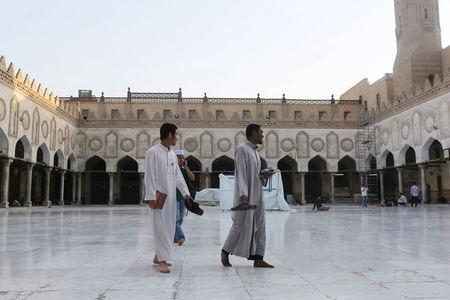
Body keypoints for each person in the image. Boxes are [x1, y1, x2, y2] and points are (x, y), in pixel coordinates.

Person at [221, 124, 274, 268]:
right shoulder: (242, 150)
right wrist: (243, 194)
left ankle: (258, 258)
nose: (262, 135)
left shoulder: (254, 152)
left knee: (260, 224)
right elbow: (241, 174)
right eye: (261, 132)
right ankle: (225, 252)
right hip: (246, 195)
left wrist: (263, 174)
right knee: (239, 224)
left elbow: (254, 175)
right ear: (253, 133)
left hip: (257, 194)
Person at [144, 123, 193, 273]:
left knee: (170, 228)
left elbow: (178, 177)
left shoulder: (172, 154)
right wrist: (151, 196)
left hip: (171, 199)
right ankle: (163, 260)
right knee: (159, 228)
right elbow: (149, 175)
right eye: (176, 135)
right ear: (170, 135)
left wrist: (186, 193)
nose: (177, 138)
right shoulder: (152, 152)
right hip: (158, 197)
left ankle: (158, 255)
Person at [174, 149, 196, 246]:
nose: (181, 160)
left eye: (183, 158)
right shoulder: (172, 169)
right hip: (173, 197)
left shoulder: (183, 170)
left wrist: (186, 167)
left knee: (181, 219)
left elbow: (192, 178)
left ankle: (174, 236)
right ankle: (180, 237)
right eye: (179, 158)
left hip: (183, 197)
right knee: (176, 218)